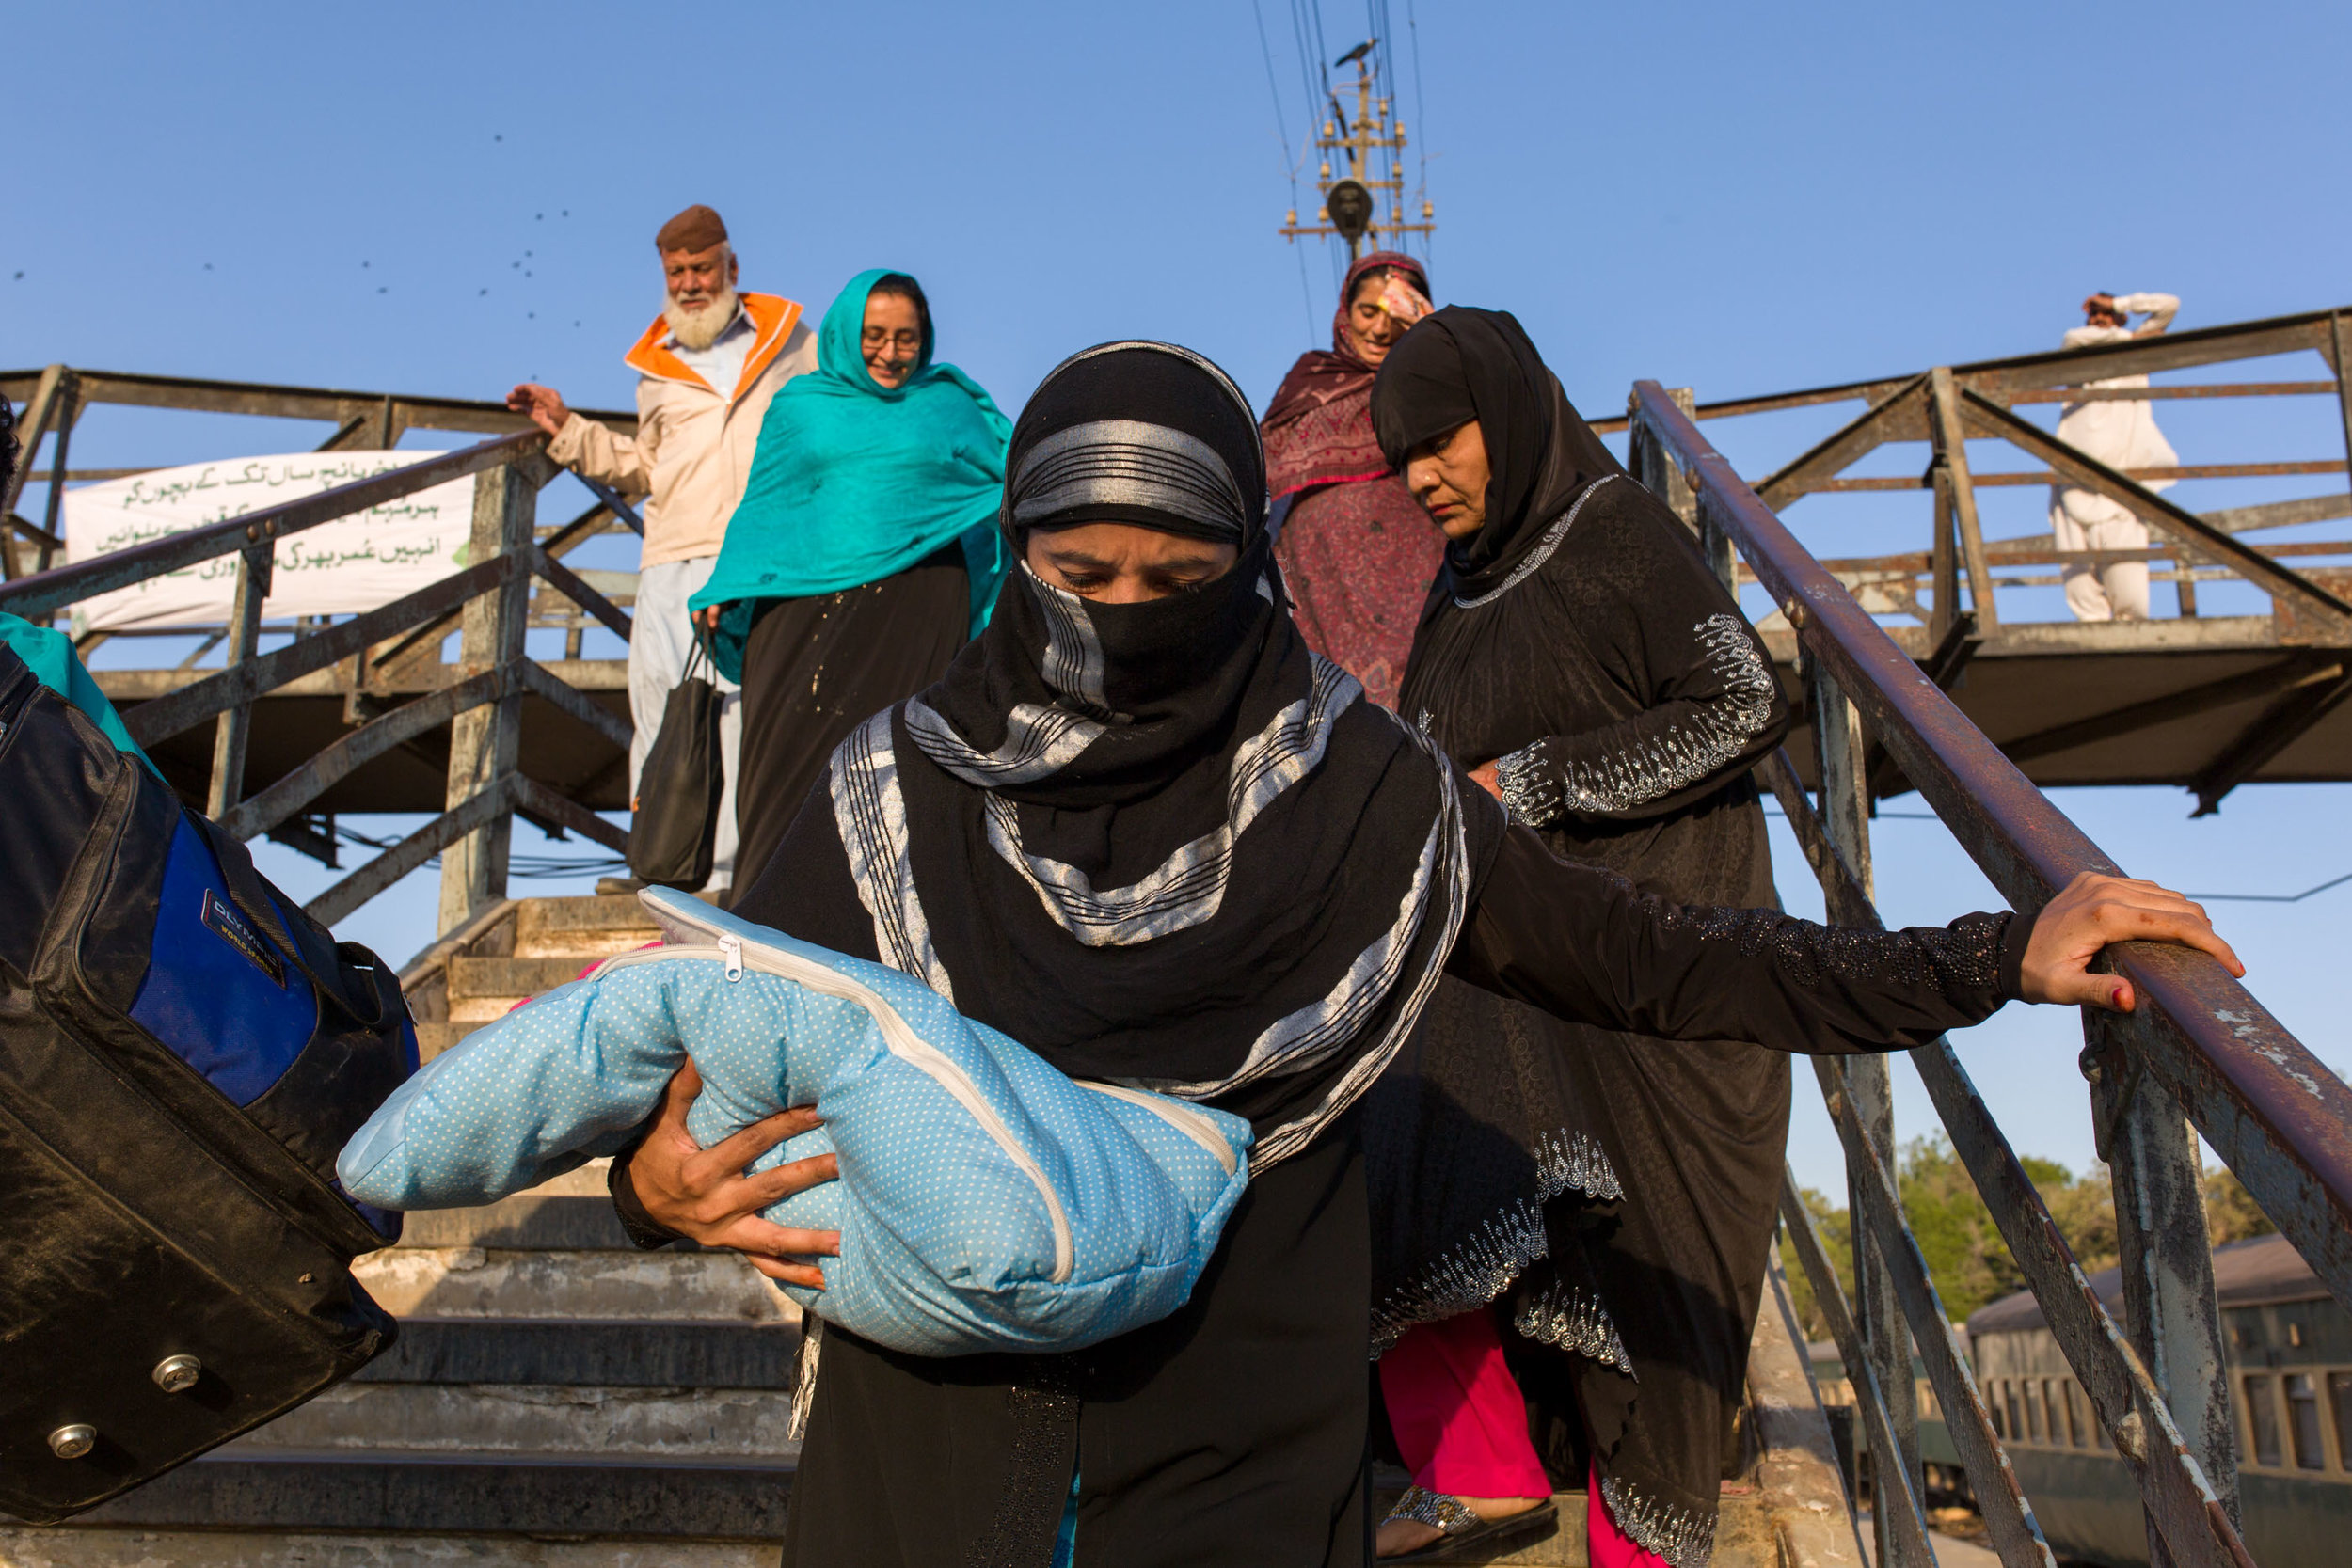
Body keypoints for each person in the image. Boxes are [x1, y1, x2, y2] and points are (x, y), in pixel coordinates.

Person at [602, 340, 2235, 1568]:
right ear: (1013, 556)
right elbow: (713, 1050)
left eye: (1176, 582)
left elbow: (1655, 956)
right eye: (1076, 575)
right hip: (925, 1466)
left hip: (1245, 1466)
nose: (1121, 619)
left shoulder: (1361, 797)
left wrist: (1990, 949)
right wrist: (650, 1187)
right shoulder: (895, 784)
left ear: (1247, 571)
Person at [1363, 306, 1795, 1566]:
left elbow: (1745, 697)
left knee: (1660, 1351)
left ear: (1508, 411)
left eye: (1438, 442)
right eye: (1401, 461)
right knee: (1369, 1118)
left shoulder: (1608, 535)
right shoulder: (1448, 608)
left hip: (1674, 995)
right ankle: (1481, 1464)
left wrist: (1532, 782)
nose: (1421, 479)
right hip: (1536, 1000)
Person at [506, 204, 817, 893]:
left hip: (756, 557)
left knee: (737, 711)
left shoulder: (794, 343)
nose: (689, 283)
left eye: (701, 268)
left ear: (731, 268)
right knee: (660, 709)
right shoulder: (656, 365)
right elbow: (645, 464)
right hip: (671, 554)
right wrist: (563, 426)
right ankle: (658, 866)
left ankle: (730, 876)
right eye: (676, 272)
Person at [687, 269, 1009, 894]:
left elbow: (1005, 488)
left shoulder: (949, 406)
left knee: (902, 773)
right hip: (804, 620)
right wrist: (728, 587)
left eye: (907, 339)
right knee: (786, 780)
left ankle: (901, 935)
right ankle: (767, 925)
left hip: (919, 612)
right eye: (875, 335)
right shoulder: (801, 407)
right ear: (843, 333)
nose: (891, 354)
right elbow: (766, 512)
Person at [1261, 251, 1445, 710]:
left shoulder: (1437, 388)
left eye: (1397, 315)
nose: (1380, 330)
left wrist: (1436, 338)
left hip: (1419, 593)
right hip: (1323, 593)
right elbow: (1263, 476)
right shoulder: (1312, 380)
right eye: (1368, 312)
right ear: (1346, 314)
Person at [2051, 291, 2181, 622]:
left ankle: (2131, 631)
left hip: (2122, 475)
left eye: (2104, 315)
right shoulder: (2078, 356)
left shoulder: (2133, 351)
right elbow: (2073, 338)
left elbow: (2169, 305)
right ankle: (2092, 629)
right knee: (2077, 573)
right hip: (2074, 475)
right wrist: (2111, 323)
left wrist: (2119, 304)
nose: (2098, 320)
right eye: (2093, 315)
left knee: (2128, 579)